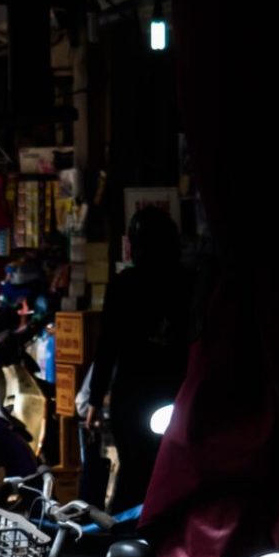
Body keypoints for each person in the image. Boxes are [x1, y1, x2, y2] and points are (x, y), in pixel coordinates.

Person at [87, 206, 193, 513]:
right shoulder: (190, 283)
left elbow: (107, 347)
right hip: (173, 391)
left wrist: (96, 399)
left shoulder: (125, 284)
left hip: (136, 395)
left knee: (135, 471)